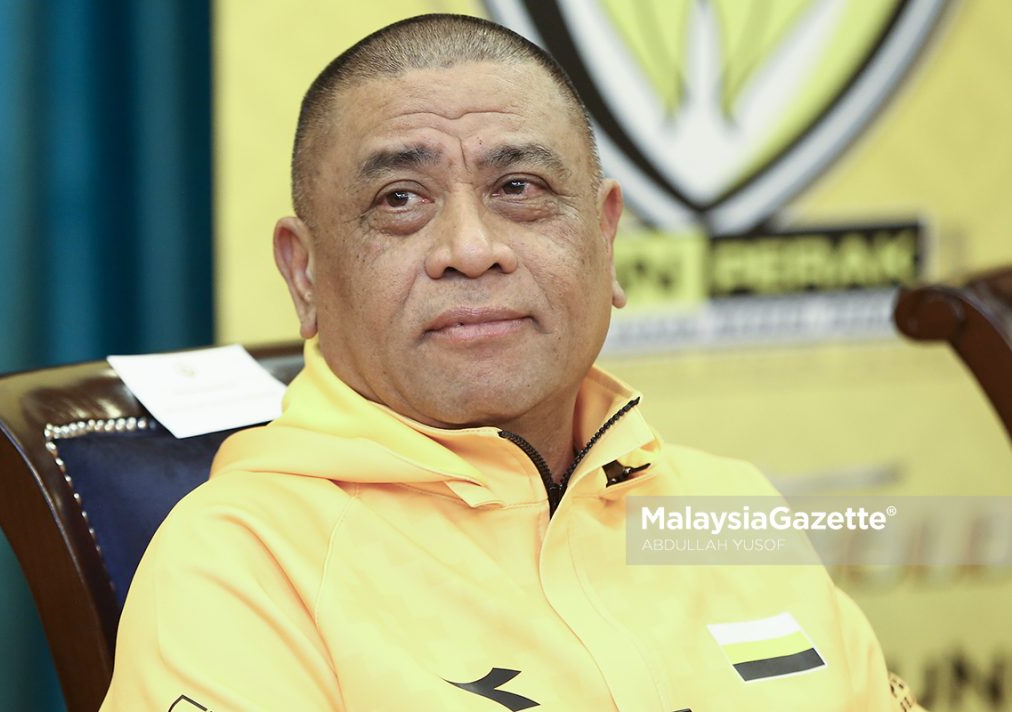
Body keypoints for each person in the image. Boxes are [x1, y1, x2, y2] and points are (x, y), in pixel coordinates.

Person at [101, 14, 921, 711]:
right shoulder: (240, 564)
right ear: (305, 273)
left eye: (520, 188)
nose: (471, 248)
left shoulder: (726, 504)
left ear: (606, 238)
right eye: (400, 199)